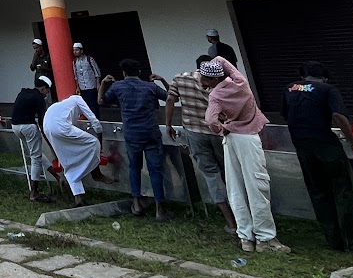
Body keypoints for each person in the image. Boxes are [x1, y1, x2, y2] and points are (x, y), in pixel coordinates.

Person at [200, 57, 290, 254]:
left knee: (235, 188)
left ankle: (246, 237)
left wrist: (220, 129)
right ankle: (265, 238)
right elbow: (226, 63)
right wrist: (216, 60)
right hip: (248, 138)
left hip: (230, 138)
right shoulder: (240, 84)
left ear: (210, 79)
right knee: (258, 186)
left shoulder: (215, 95)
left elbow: (210, 120)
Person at [283, 61, 353, 254]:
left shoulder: (289, 88)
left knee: (319, 194)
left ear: (304, 76)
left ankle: (334, 243)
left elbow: (287, 115)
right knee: (343, 192)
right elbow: (338, 116)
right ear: (324, 77)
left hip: (302, 146)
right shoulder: (328, 89)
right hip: (326, 145)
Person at [166, 57, 238, 234]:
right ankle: (242, 215)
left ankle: (231, 223)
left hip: (194, 132)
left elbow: (170, 100)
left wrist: (168, 124)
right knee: (230, 172)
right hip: (219, 131)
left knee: (211, 175)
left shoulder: (180, 78)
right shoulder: (221, 81)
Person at [101, 59, 171, 220]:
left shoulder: (117, 86)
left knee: (134, 168)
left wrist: (104, 83)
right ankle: (160, 208)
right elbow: (171, 98)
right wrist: (162, 80)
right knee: (155, 170)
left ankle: (136, 203)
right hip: (151, 133)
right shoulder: (150, 87)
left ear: (124, 73)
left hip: (132, 134)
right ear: (139, 72)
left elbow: (101, 101)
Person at [43, 93, 103, 205]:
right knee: (94, 143)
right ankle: (96, 173)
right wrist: (100, 140)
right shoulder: (78, 99)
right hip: (60, 127)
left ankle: (78, 197)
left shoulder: (62, 106)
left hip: (47, 127)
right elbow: (94, 121)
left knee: (68, 162)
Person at [11, 76, 52, 202]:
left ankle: (56, 176)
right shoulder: (39, 98)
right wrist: (48, 140)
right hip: (29, 127)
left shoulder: (22, 92)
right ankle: (34, 192)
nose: (47, 94)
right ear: (43, 88)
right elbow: (42, 121)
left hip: (15, 127)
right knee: (35, 159)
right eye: (47, 91)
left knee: (36, 153)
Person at [72, 42, 103, 109]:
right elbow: (76, 76)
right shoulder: (74, 62)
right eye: (74, 50)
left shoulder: (89, 59)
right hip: (82, 87)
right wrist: (77, 87)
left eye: (77, 50)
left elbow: (97, 72)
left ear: (81, 51)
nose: (75, 52)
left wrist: (98, 84)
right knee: (86, 105)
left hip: (91, 86)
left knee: (93, 104)